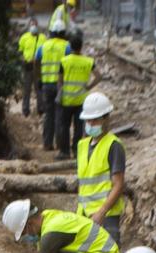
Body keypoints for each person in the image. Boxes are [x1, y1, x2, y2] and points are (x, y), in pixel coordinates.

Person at [75, 91, 127, 242]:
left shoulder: (113, 145)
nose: (90, 124)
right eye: (88, 121)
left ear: (106, 119)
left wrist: (102, 211)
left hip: (106, 215)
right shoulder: (82, 145)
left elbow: (118, 184)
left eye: (95, 120)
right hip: (84, 214)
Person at [56, 32, 95, 163]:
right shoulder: (88, 61)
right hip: (81, 100)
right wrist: (89, 86)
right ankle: (77, 151)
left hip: (67, 100)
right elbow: (99, 76)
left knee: (64, 126)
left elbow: (60, 81)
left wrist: (59, 93)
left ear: (70, 46)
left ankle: (64, 152)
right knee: (79, 128)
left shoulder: (64, 61)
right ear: (81, 47)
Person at [38, 27, 70, 152]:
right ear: (63, 33)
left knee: (48, 114)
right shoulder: (66, 46)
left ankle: (47, 143)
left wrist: (38, 79)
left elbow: (36, 61)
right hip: (59, 85)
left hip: (46, 84)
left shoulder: (43, 46)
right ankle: (59, 144)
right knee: (60, 114)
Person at [18, 21, 43, 117]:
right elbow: (20, 51)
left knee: (39, 89)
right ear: (29, 26)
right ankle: (25, 110)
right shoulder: (24, 38)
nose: (33, 27)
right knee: (26, 89)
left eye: (35, 25)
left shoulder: (42, 38)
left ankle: (41, 109)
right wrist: (23, 60)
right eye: (32, 25)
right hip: (27, 66)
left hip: (38, 66)